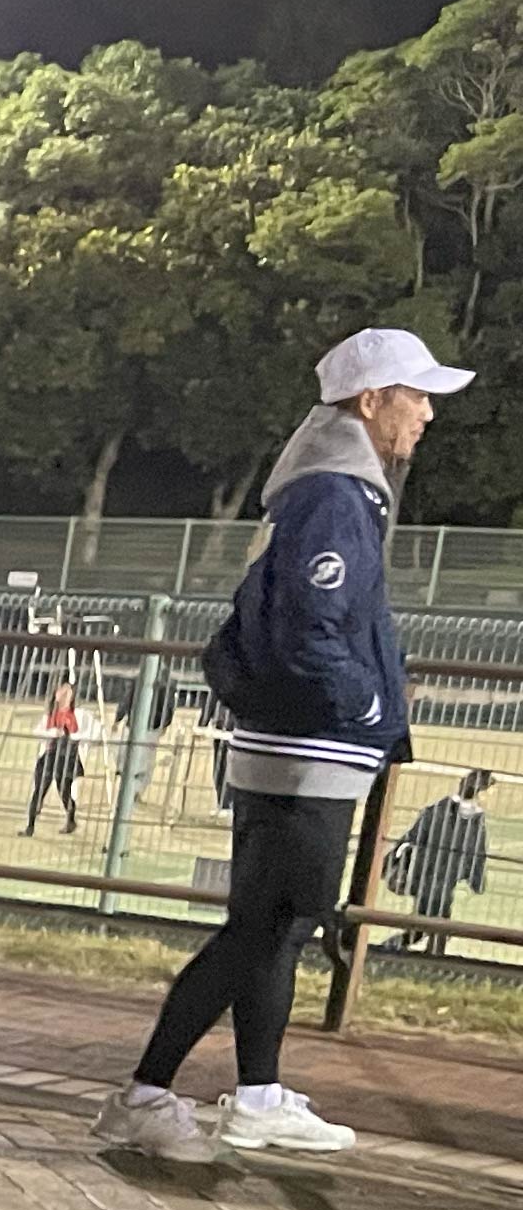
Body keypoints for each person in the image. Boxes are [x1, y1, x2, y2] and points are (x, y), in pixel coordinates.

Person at [98, 328, 473, 1163]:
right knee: (267, 929)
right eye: (416, 396)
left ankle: (258, 1096)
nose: (427, 413)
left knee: (274, 925)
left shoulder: (327, 485)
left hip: (297, 741)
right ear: (371, 401)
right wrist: (367, 704)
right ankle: (145, 1094)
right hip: (309, 746)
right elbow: (313, 628)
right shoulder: (336, 493)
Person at [384, 767, 491, 961]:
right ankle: (400, 952)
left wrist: (389, 863)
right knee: (434, 926)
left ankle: (402, 951)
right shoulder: (474, 820)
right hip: (439, 878)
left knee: (428, 925)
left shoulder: (437, 811)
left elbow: (411, 837)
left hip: (427, 876)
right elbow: (477, 853)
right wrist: (477, 880)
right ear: (481, 792)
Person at [22, 682, 87, 837]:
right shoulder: (51, 715)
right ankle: (30, 826)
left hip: (66, 759)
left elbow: (80, 735)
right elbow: (38, 732)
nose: (64, 695)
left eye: (68, 693)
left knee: (65, 792)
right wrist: (52, 733)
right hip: (50, 757)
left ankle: (71, 820)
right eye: (62, 692)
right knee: (39, 791)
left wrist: (68, 737)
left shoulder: (74, 715)